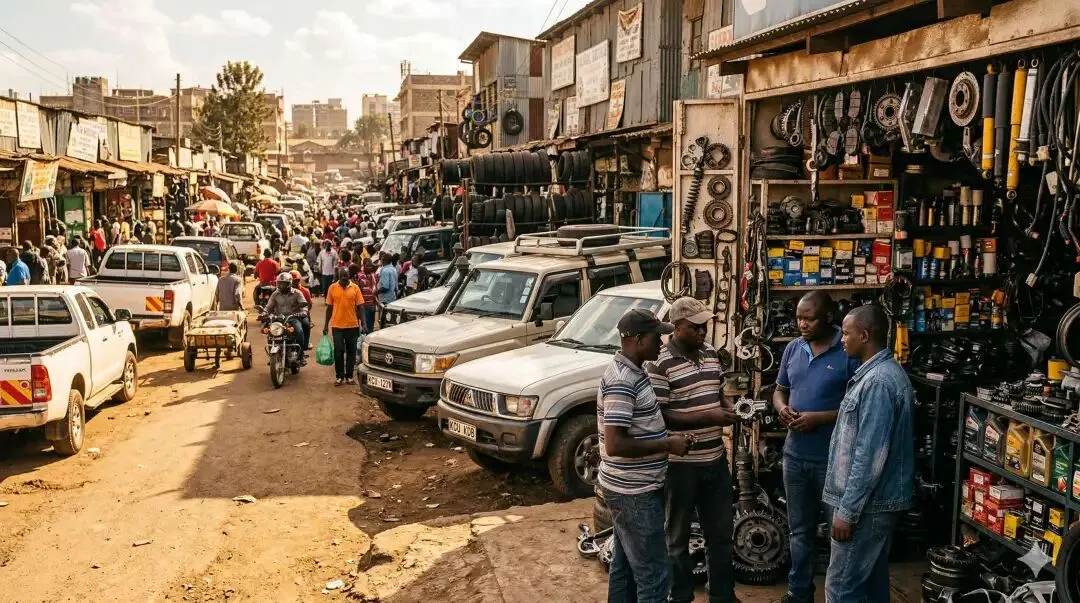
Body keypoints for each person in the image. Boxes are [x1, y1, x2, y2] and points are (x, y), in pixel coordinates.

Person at [644, 297, 739, 603]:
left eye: (705, 325)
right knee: (677, 539)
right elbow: (662, 416)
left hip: (715, 460)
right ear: (676, 326)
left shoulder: (710, 353)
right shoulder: (659, 362)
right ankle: (680, 596)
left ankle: (722, 595)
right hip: (680, 466)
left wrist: (729, 408)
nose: (702, 332)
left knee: (721, 536)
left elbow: (718, 392)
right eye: (695, 327)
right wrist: (709, 417)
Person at [770, 292, 860, 603]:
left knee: (840, 534)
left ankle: (840, 596)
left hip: (832, 460)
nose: (802, 324)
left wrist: (817, 419)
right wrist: (782, 407)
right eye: (799, 318)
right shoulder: (794, 348)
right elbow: (779, 390)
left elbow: (858, 408)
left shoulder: (848, 350)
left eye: (810, 319)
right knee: (799, 531)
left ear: (829, 317)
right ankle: (799, 592)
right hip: (794, 456)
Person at [824, 305, 915, 603]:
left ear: (864, 335)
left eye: (847, 334)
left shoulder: (878, 382)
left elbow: (869, 455)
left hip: (867, 508)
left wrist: (847, 512)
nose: (842, 340)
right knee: (872, 585)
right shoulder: (878, 375)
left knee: (841, 589)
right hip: (875, 504)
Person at [598, 309, 689, 603]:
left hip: (631, 489)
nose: (662, 344)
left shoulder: (636, 372)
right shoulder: (623, 379)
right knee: (654, 577)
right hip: (632, 492)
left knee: (624, 570)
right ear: (638, 340)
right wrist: (667, 445)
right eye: (656, 337)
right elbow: (615, 444)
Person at [323, 267, 366, 385]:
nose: (343, 278)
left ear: (349, 276)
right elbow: (329, 308)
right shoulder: (332, 288)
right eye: (341, 276)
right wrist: (326, 325)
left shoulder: (355, 288)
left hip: (352, 325)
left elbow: (361, 307)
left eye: (345, 276)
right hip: (337, 325)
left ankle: (349, 376)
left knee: (351, 352)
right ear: (338, 276)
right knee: (339, 351)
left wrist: (364, 324)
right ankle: (339, 376)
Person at [262, 272, 309, 364]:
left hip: (293, 318)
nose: (282, 286)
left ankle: (301, 355)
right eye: (280, 283)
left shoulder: (297, 293)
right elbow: (268, 306)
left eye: (284, 283)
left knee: (299, 331)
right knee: (271, 332)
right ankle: (272, 356)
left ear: (289, 283)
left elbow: (304, 305)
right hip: (279, 319)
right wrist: (264, 313)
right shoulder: (275, 294)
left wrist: (303, 312)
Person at [376, 251, 398, 328]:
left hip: (385, 299)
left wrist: (376, 292)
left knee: (383, 321)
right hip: (392, 298)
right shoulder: (393, 269)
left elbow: (385, 287)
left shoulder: (385, 270)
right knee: (391, 321)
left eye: (382, 259)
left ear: (384, 260)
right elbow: (395, 287)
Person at [355, 258, 377, 334]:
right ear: (363, 265)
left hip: (372, 305)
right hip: (364, 305)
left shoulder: (373, 276)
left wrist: (375, 304)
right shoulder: (360, 276)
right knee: (365, 326)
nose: (369, 267)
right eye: (367, 266)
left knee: (371, 325)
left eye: (371, 266)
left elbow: (375, 290)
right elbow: (358, 291)